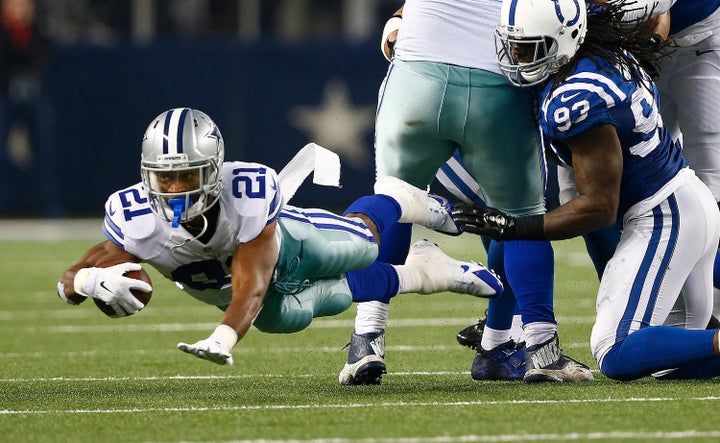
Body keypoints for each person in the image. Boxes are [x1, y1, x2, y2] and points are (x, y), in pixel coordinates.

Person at [56, 107, 503, 366]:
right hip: (246, 295)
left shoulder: (244, 195)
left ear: (212, 171)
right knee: (292, 314)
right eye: (163, 177)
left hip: (291, 245)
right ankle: (427, 270)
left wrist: (223, 336)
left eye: (185, 175)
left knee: (362, 246)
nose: (174, 189)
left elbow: (252, 282)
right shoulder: (132, 215)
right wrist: (92, 282)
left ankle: (403, 199)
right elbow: (72, 278)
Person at [453, 0, 720, 381]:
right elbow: (655, 25)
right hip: (682, 204)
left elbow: (598, 209)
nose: (517, 57)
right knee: (671, 364)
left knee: (614, 351)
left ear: (563, 41)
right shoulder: (598, 43)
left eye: (531, 47)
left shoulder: (576, 98)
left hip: (666, 216)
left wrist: (515, 228)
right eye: (514, 44)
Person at [340, 0, 593, 386]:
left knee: (394, 199)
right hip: (496, 80)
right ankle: (542, 350)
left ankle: (367, 339)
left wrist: (396, 23)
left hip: (415, 77)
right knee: (522, 214)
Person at [0, 0, 60, 216]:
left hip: (32, 95)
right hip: (5, 94)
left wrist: (27, 31)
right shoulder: (5, 32)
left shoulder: (37, 30)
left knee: (45, 145)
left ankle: (48, 204)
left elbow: (46, 55)